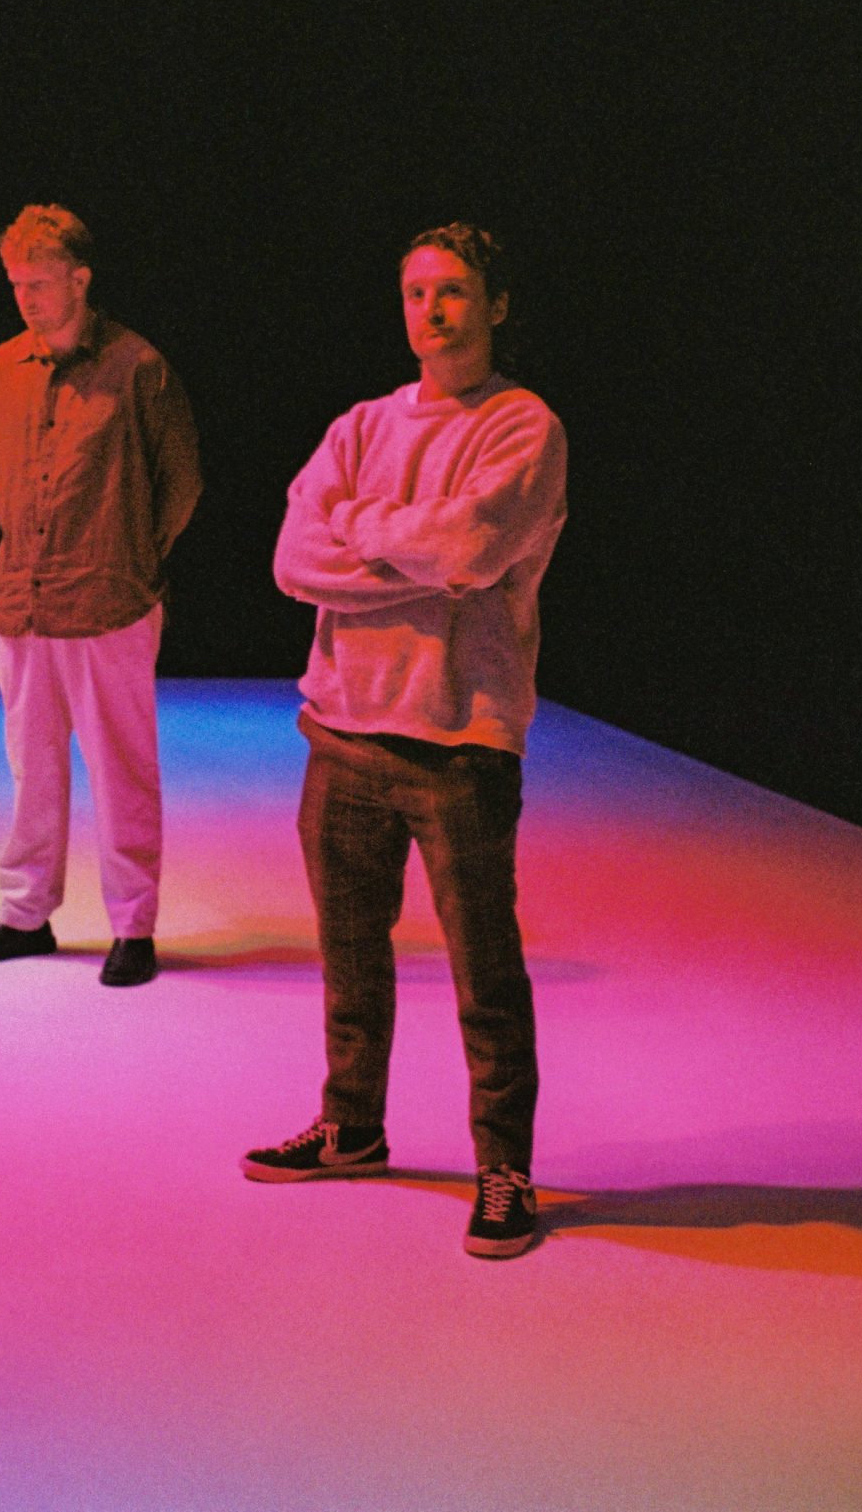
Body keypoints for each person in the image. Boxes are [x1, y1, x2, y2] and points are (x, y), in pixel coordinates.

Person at [245, 224, 567, 1258]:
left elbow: (472, 548)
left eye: (454, 290)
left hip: (460, 737)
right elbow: (293, 559)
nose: (432, 310)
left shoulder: (524, 427)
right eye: (417, 292)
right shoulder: (360, 424)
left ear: (496, 305)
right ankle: (352, 1126)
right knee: (349, 958)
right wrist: (414, 554)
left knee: (484, 975)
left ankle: (504, 1167)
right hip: (342, 728)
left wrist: (365, 525)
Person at [0, 205, 202, 987]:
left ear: (81, 279)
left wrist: (128, 558)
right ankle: (25, 913)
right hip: (21, 599)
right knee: (31, 771)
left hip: (107, 602)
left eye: (40, 282)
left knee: (123, 770)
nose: (25, 297)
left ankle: (134, 924)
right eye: (15, 283)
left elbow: (180, 483)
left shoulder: (137, 368)